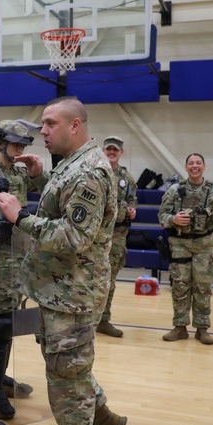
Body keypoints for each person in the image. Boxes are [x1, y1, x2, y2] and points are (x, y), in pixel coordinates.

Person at [0, 96, 127, 425]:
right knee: (73, 365)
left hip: (72, 292)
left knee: (66, 375)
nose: (42, 132)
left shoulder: (89, 172)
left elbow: (72, 237)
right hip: (64, 289)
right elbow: (66, 206)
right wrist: (40, 179)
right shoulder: (76, 164)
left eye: (49, 124)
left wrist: (21, 216)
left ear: (75, 126)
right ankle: (101, 419)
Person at [0, 119, 47, 420]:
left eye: (23, 144)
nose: (20, 148)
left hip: (18, 259)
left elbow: (47, 189)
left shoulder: (17, 172)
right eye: (15, 143)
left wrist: (38, 172)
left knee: (8, 322)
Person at [157, 153, 213, 344]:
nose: (194, 166)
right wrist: (173, 219)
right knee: (179, 287)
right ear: (186, 167)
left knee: (203, 288)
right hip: (180, 245)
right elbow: (162, 216)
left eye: (198, 163)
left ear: (204, 166)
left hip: (205, 245)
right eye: (191, 163)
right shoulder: (174, 190)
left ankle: (202, 328)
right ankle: (180, 327)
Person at [97, 136, 137, 337]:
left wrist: (131, 210)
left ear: (121, 152)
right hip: (95, 236)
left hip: (118, 236)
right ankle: (87, 318)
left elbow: (132, 200)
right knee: (90, 277)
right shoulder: (95, 172)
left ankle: (103, 320)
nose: (112, 152)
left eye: (116, 150)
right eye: (109, 149)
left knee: (110, 279)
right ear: (103, 150)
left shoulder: (126, 177)